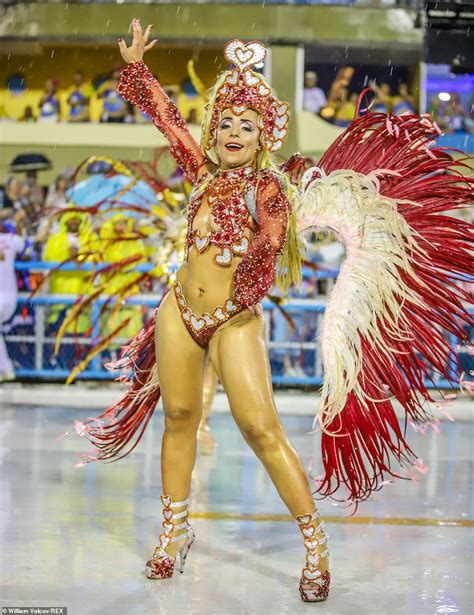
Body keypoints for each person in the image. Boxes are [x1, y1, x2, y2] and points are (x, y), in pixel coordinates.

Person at [68, 20, 473, 605]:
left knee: (261, 430)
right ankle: (174, 528)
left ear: (263, 136)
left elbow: (267, 244)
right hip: (178, 310)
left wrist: (237, 301)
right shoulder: (201, 172)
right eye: (226, 121)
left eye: (246, 124)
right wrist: (137, 70)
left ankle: (314, 544)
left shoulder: (270, 188)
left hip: (236, 320)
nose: (233, 130)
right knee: (180, 417)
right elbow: (167, 119)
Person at [0, 222, 25, 381]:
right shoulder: (12, 238)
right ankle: (6, 369)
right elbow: (25, 248)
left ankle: (6, 367)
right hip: (10, 297)